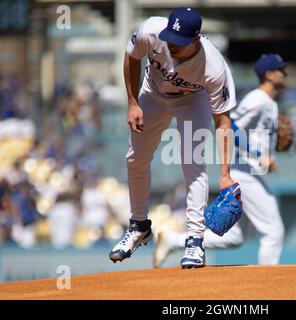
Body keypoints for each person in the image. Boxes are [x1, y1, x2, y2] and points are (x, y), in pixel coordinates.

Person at [109, 7, 237, 269]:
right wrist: (132, 103)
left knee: (193, 164)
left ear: (195, 39)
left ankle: (194, 240)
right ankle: (139, 226)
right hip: (153, 93)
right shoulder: (150, 31)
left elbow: (223, 123)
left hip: (193, 99)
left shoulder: (213, 68)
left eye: (179, 42)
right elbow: (131, 57)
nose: (171, 45)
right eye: (170, 37)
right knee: (135, 159)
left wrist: (225, 175)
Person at [153, 54, 288, 267]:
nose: (286, 74)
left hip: (250, 171)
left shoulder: (269, 102)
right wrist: (258, 153)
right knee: (273, 231)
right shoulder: (258, 99)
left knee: (234, 237)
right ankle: (268, 286)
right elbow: (231, 127)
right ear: (270, 75)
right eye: (282, 71)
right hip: (244, 172)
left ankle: (174, 240)